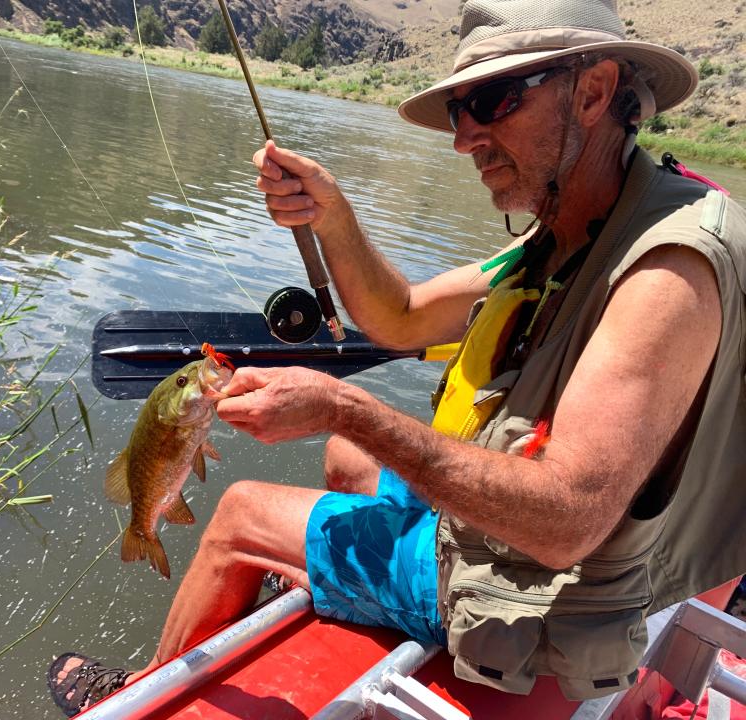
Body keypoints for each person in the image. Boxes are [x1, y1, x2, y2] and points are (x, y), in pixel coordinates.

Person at [48, 0, 746, 714]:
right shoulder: (572, 230)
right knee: (347, 457)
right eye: (456, 112)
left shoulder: (666, 270)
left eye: (490, 101)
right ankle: (328, 583)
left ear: (594, 91)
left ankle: (135, 700)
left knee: (237, 513)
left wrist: (341, 403)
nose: (463, 138)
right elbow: (401, 315)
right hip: (526, 545)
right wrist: (331, 213)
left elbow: (567, 522)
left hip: (546, 599)